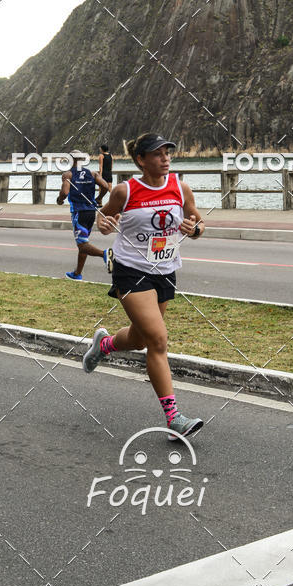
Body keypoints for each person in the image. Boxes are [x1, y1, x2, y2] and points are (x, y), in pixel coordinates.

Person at [83, 132, 205, 440]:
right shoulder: (126, 190)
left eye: (167, 153)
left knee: (140, 339)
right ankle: (174, 419)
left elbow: (198, 222)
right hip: (130, 271)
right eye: (157, 154)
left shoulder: (180, 187)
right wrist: (104, 224)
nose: (165, 158)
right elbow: (104, 218)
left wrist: (195, 229)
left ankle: (105, 345)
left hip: (164, 270)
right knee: (158, 340)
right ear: (141, 160)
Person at [56, 151, 114, 281]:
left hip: (79, 213)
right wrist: (99, 198)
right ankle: (77, 273)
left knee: (82, 245)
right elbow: (105, 186)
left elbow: (65, 192)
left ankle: (104, 254)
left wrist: (60, 199)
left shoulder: (68, 174)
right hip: (90, 212)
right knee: (84, 243)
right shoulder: (92, 174)